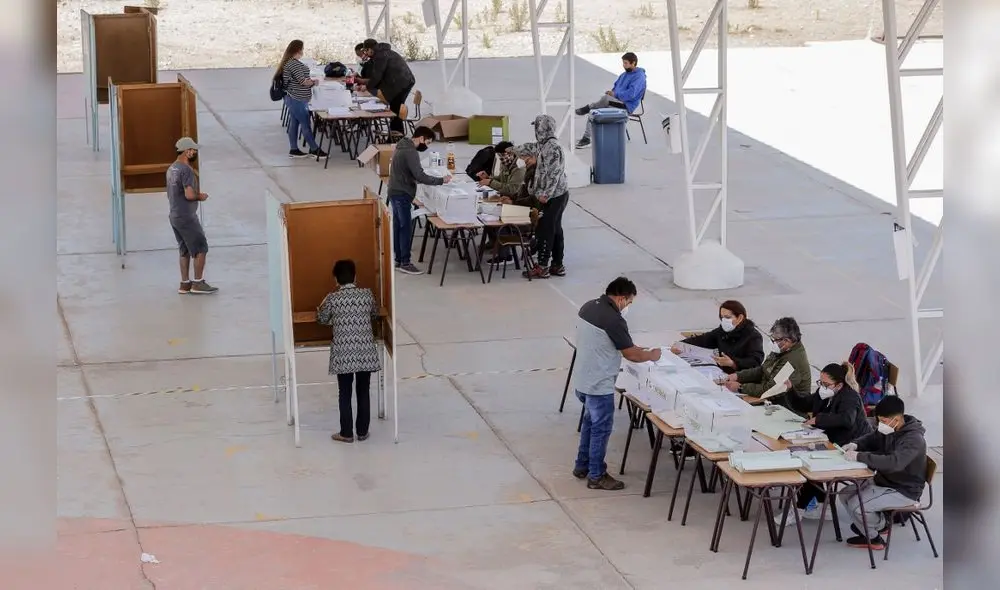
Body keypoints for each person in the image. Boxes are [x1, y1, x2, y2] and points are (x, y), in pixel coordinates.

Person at [572, 277, 661, 490]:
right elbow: (631, 355)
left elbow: (617, 342)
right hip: (599, 385)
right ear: (621, 298)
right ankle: (596, 475)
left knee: (589, 423)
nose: (628, 307)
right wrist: (652, 355)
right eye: (629, 303)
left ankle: (581, 465)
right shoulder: (613, 319)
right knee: (600, 429)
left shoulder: (588, 308)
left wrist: (636, 347)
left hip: (583, 380)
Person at [775, 362, 872, 526]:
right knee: (806, 459)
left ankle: (799, 509)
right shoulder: (824, 393)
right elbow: (805, 404)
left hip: (851, 445)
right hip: (829, 440)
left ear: (839, 385)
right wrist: (791, 390)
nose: (822, 387)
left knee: (815, 468)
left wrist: (819, 419)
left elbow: (847, 420)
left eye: (826, 384)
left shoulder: (850, 397)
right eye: (820, 383)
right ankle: (821, 506)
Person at [841, 396, 927, 550]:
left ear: (897, 419)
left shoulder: (913, 439)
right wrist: (856, 444)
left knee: (857, 506)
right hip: (885, 481)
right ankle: (870, 526)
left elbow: (894, 463)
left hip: (904, 489)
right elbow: (873, 438)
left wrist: (860, 456)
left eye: (884, 421)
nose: (881, 425)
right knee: (844, 495)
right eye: (879, 420)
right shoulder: (890, 428)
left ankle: (876, 535)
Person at [317, 260, 381, 443]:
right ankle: (362, 431)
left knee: (344, 392)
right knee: (363, 391)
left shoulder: (332, 298)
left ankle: (346, 433)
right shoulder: (367, 295)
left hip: (343, 354)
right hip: (365, 353)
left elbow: (321, 319)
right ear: (355, 276)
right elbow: (374, 315)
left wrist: (321, 305)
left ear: (336, 279)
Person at [387, 126, 451, 275]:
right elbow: (420, 175)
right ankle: (405, 262)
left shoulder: (402, 145)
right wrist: (441, 180)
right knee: (405, 228)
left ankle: (398, 260)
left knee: (398, 227)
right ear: (421, 138)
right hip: (402, 193)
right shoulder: (411, 152)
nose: (427, 146)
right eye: (427, 142)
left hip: (395, 191)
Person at [721, 317, 811, 412]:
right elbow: (762, 370)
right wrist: (737, 376)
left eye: (775, 340)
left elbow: (771, 390)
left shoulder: (792, 361)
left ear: (787, 341)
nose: (773, 342)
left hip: (788, 406)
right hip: (771, 396)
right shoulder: (782, 349)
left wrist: (741, 388)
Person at [517, 114, 569, 279]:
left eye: (537, 127)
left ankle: (543, 266)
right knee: (555, 230)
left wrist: (545, 195)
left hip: (554, 197)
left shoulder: (553, 148)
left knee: (545, 230)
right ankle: (557, 265)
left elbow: (554, 173)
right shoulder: (543, 145)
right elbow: (529, 148)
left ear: (541, 129)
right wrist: (511, 149)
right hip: (554, 195)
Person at [166, 137, 217, 295]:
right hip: (186, 216)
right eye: (193, 150)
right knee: (201, 247)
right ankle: (198, 283)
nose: (194, 153)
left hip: (174, 215)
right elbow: (189, 194)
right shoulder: (186, 170)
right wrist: (199, 196)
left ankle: (185, 283)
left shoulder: (171, 169)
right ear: (186, 151)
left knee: (184, 250)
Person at [574, 52, 647, 148]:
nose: (624, 65)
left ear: (633, 63)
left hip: (626, 105)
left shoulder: (639, 77)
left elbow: (631, 94)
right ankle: (587, 138)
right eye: (623, 63)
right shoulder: (623, 75)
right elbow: (615, 88)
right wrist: (611, 92)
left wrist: (615, 94)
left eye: (626, 63)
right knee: (595, 111)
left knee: (604, 100)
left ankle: (588, 108)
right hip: (616, 101)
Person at [670, 300, 764, 374]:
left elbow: (755, 362)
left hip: (740, 378)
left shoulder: (753, 336)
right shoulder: (722, 331)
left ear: (739, 318)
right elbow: (703, 340)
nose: (724, 321)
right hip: (719, 372)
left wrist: (733, 363)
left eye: (727, 317)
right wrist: (680, 345)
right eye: (722, 317)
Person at [274, 40, 328, 159]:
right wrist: (314, 82)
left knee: (294, 123)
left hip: (292, 97)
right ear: (298, 50)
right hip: (297, 98)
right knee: (305, 124)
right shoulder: (294, 64)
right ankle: (314, 149)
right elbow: (303, 81)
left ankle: (294, 149)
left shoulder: (288, 63)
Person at [359, 38, 415, 136]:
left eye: (365, 51)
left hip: (401, 83)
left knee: (394, 110)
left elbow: (377, 76)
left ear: (370, 49)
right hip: (404, 81)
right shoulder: (382, 53)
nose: (366, 54)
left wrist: (367, 87)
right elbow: (373, 74)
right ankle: (395, 135)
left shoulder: (380, 56)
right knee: (395, 108)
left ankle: (397, 136)